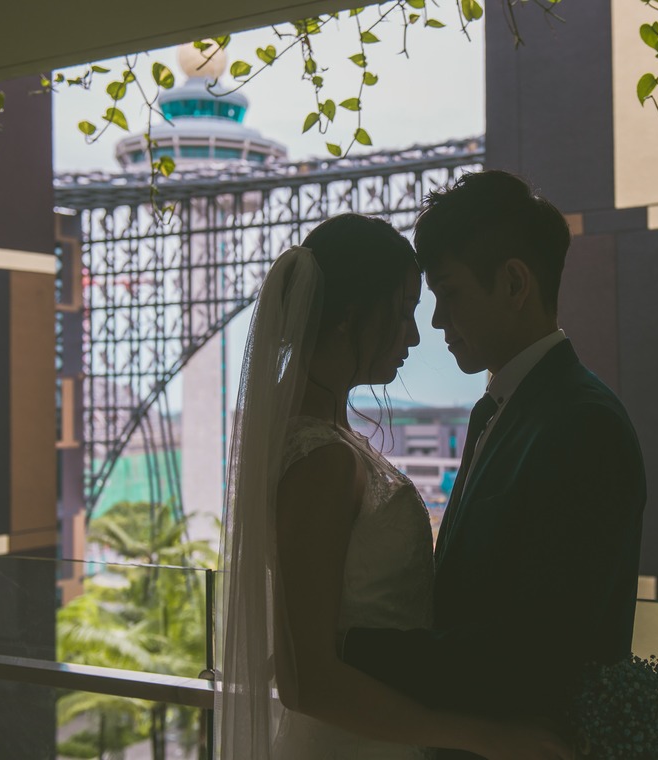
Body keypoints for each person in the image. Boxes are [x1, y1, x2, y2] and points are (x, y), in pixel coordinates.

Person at [217, 213, 572, 759]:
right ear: (348, 319)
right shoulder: (322, 462)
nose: (415, 333)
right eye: (403, 310)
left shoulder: (323, 441)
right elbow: (305, 680)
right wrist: (485, 737)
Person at [339, 172, 648, 758]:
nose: (436, 321)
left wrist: (340, 647)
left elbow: (532, 651)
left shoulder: (583, 426)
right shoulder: (507, 411)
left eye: (449, 293)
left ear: (513, 283)